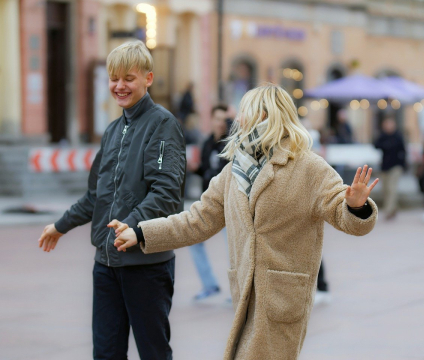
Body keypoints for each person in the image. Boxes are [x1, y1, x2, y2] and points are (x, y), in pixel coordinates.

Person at [111, 83, 378, 360]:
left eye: (244, 112)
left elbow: (343, 215)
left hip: (282, 300)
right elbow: (197, 220)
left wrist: (355, 206)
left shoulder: (309, 167)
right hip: (245, 297)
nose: (237, 119)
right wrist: (141, 233)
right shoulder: (234, 170)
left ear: (264, 115)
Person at [37, 40, 186, 360]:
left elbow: (167, 193)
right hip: (105, 265)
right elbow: (96, 195)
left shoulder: (163, 125)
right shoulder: (112, 130)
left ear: (148, 78)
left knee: (153, 353)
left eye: (128, 78)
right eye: (114, 78)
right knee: (105, 353)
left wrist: (131, 225)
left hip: (146, 265)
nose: (119, 86)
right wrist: (60, 226)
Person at [188, 104, 230, 301]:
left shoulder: (231, 144)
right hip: (209, 204)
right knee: (194, 241)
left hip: (227, 204)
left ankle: (238, 292)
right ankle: (209, 284)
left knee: (234, 247)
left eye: (224, 119)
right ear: (211, 120)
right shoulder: (206, 143)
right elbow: (206, 171)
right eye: (217, 118)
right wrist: (194, 168)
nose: (220, 123)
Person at [374, 116, 406, 220]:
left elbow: (403, 150)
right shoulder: (383, 136)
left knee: (392, 188)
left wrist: (403, 164)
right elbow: (375, 145)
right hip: (385, 166)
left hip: (396, 166)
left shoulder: (398, 136)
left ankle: (388, 210)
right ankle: (393, 208)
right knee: (385, 189)